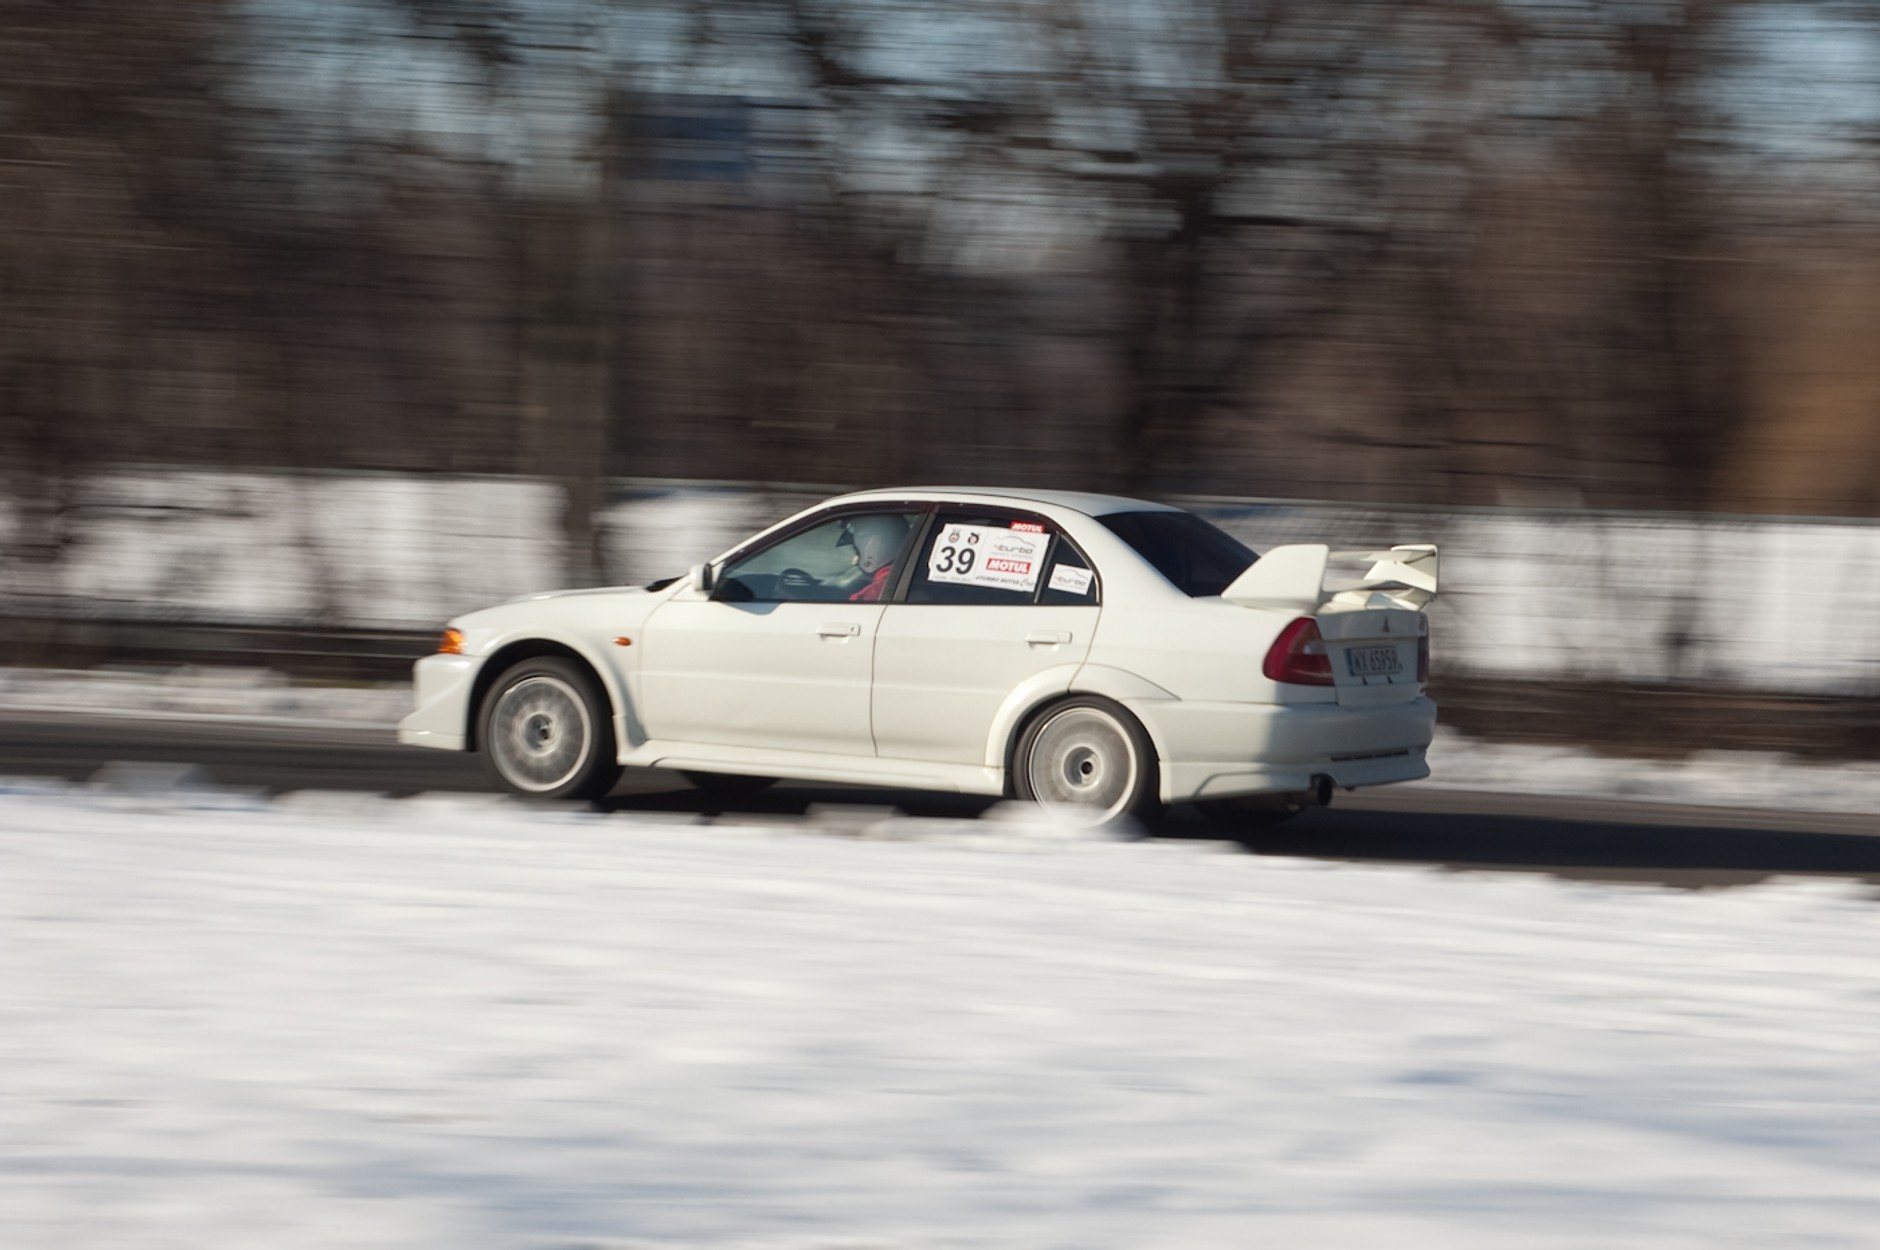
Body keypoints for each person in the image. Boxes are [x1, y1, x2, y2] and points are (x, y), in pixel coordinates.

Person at [841, 514, 910, 602]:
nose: (853, 562)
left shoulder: (869, 597)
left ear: (875, 547)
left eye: (857, 552)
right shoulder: (909, 576)